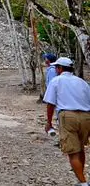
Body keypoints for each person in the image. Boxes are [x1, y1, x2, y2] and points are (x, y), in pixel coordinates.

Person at [44, 57, 90, 186]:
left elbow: (50, 104)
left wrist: (49, 123)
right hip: (86, 117)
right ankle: (82, 177)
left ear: (59, 68)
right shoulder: (82, 82)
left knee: (72, 152)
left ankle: (83, 183)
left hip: (68, 116)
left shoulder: (56, 81)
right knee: (81, 149)